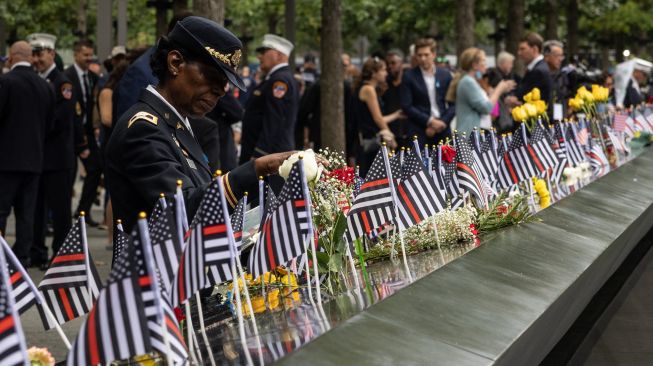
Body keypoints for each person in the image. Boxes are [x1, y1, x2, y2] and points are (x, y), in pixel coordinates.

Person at [105, 16, 294, 231]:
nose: (221, 90)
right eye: (213, 76)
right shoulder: (143, 128)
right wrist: (257, 168)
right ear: (175, 63)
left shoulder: (177, 122)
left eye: (226, 83)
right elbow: (181, 209)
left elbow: (199, 194)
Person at [0, 41, 55, 267]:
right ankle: (20, 259)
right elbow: (49, 124)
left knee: (1, 212)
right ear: (30, 57)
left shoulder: (5, 82)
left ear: (12, 57)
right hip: (34, 160)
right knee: (26, 215)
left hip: (5, 161)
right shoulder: (45, 86)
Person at [28, 33, 79, 268]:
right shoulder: (35, 80)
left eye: (40, 54)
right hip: (38, 157)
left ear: (52, 53)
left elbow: (61, 119)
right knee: (36, 210)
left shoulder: (62, 82)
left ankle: (60, 256)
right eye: (34, 54)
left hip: (57, 159)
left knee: (60, 213)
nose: (37, 59)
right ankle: (36, 252)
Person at [240, 34, 300, 163]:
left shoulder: (279, 80)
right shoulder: (275, 78)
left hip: (268, 156)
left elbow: (275, 119)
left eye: (264, 52)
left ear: (278, 55)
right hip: (268, 154)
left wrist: (260, 154)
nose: (259, 56)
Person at [65, 40, 102, 226]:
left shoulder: (92, 78)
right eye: (85, 55)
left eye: (90, 55)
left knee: (95, 169)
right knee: (68, 175)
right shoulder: (67, 77)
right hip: (70, 135)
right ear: (76, 55)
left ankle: (83, 211)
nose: (88, 58)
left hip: (87, 132)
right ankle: (60, 215)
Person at [446, 48, 515, 134]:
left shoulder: (472, 81)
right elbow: (486, 108)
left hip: (474, 134)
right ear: (475, 65)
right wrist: (499, 89)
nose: (486, 65)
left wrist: (498, 91)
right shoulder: (468, 82)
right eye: (483, 61)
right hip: (468, 135)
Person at [353, 57, 404, 175]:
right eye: (383, 70)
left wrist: (396, 115)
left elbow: (375, 118)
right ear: (373, 73)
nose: (386, 73)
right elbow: (378, 118)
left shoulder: (367, 88)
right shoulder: (368, 89)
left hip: (369, 139)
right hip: (371, 141)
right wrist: (390, 136)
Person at [400, 38, 455, 145]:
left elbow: (453, 103)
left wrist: (443, 122)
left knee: (446, 161)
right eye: (419, 55)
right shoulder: (409, 76)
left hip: (442, 128)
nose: (423, 58)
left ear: (433, 54)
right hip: (419, 129)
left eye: (426, 54)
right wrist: (430, 121)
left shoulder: (445, 75)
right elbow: (407, 105)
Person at [507, 32, 553, 109]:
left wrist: (516, 102)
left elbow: (538, 100)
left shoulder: (538, 71)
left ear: (535, 49)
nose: (519, 53)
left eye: (523, 49)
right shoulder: (538, 68)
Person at [383, 49, 409, 148]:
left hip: (408, 133)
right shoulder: (384, 85)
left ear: (401, 63)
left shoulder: (408, 82)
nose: (390, 66)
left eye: (393, 63)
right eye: (388, 64)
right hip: (390, 133)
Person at [543, 40, 570, 116]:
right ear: (547, 56)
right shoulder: (540, 75)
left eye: (562, 55)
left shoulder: (562, 75)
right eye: (558, 55)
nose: (561, 59)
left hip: (559, 120)